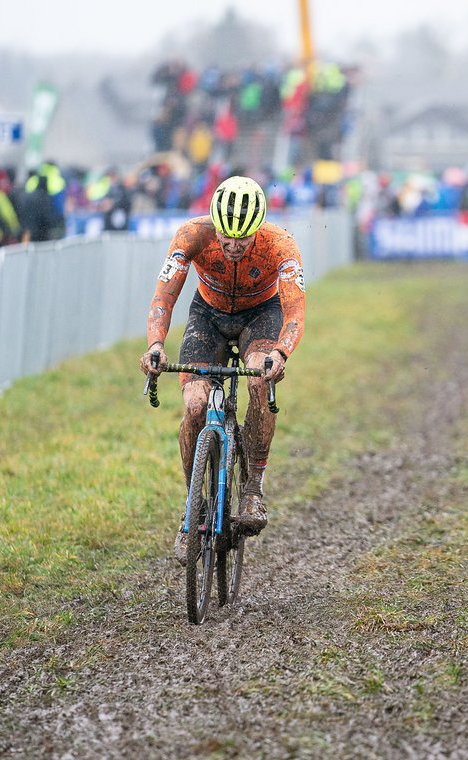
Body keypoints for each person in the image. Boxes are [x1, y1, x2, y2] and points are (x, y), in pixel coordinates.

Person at [139, 176, 306, 564]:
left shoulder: (280, 245)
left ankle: (252, 488)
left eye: (242, 240)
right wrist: (155, 345)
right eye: (226, 237)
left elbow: (295, 310)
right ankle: (192, 508)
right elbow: (164, 297)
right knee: (195, 404)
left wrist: (280, 353)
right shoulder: (192, 235)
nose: (232, 247)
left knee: (258, 379)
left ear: (258, 230)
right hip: (207, 315)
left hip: (261, 316)